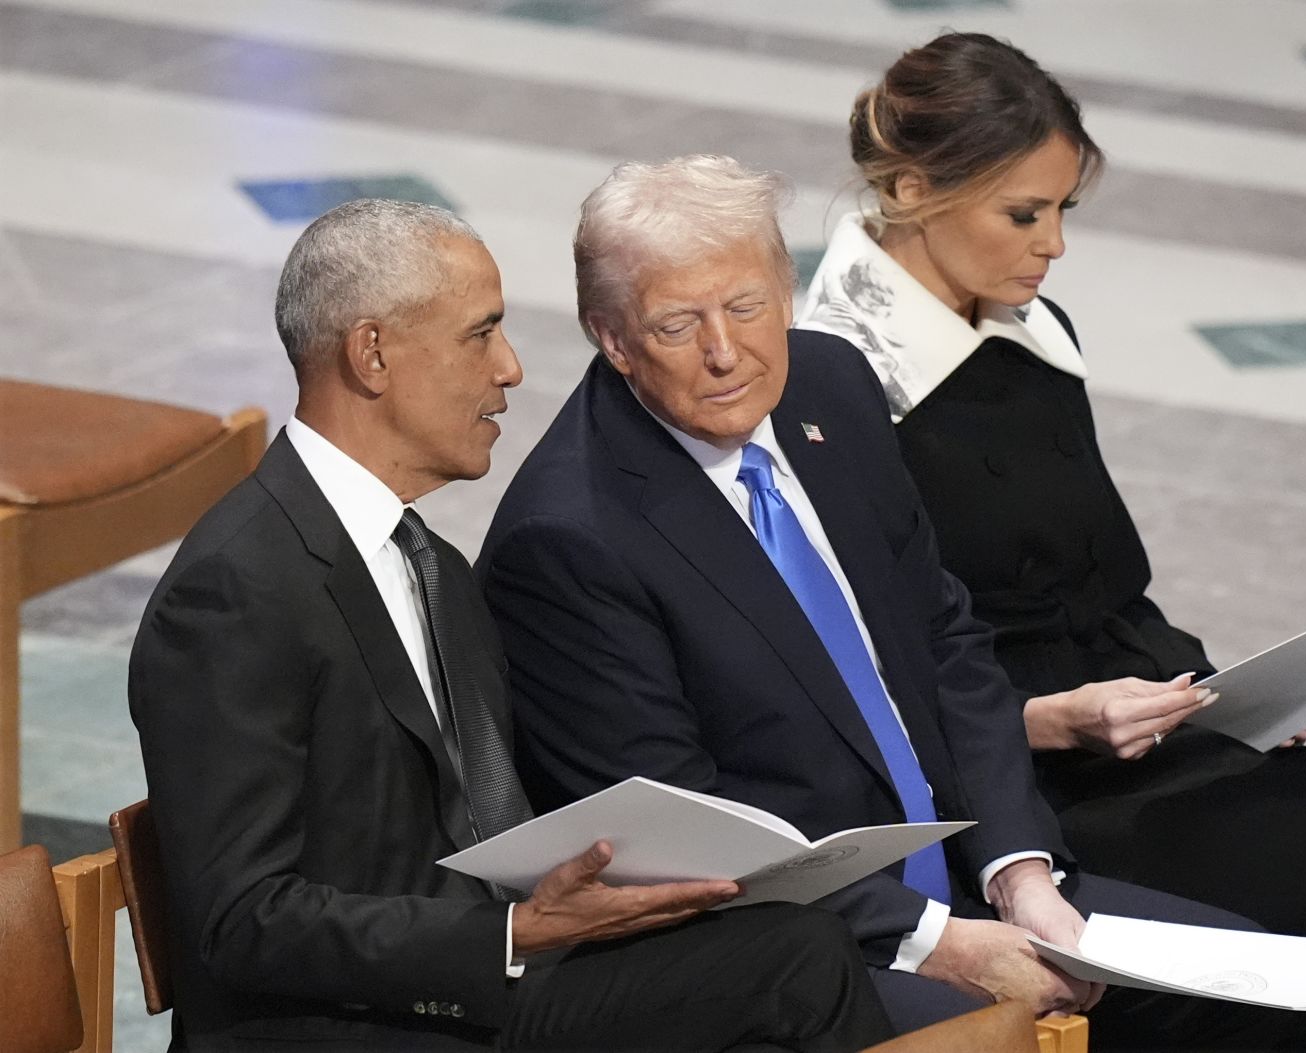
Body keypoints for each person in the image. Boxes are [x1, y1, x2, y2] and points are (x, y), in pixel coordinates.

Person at [796, 31, 1306, 1052]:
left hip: (1138, 732)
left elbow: (1101, 586)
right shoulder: (835, 389)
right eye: (1025, 213)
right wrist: (1052, 722)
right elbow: (860, 687)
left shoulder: (1034, 334)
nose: (1051, 242)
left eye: (1063, 210)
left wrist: (1227, 689)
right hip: (1013, 792)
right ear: (916, 187)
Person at [478, 155, 1306, 1048]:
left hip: (969, 873)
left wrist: (1020, 871)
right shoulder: (569, 541)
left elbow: (946, 640)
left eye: (746, 306)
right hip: (805, 937)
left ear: (787, 287)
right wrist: (939, 942)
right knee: (989, 1034)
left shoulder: (829, 385)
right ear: (611, 338)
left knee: (1256, 986)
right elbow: (686, 839)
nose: (726, 352)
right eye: (675, 325)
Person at [128, 198, 893, 1052]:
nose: (512, 367)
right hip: (353, 1024)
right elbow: (240, 922)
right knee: (795, 966)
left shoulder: (431, 565)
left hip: (480, 988)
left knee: (789, 946)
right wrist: (509, 935)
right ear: (372, 353)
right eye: (479, 334)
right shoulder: (236, 591)